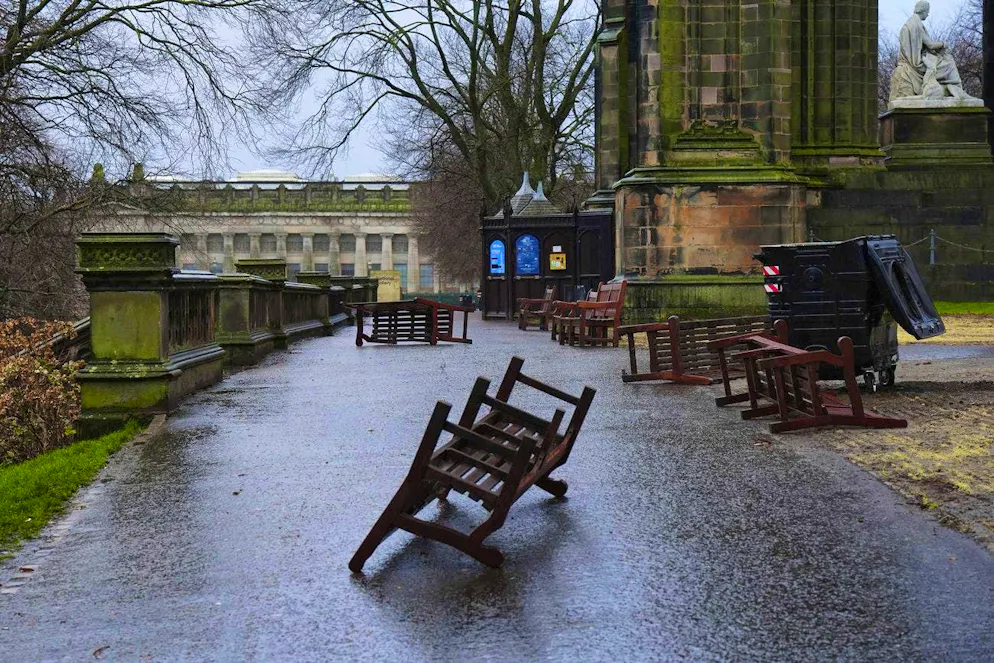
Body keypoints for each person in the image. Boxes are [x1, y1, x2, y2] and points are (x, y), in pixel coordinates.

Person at [889, 1, 974, 102]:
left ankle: (952, 89)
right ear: (923, 11)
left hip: (909, 60)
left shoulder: (909, 23)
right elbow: (930, 45)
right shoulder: (917, 25)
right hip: (917, 63)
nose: (928, 14)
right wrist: (943, 44)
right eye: (927, 11)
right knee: (949, 61)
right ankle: (956, 88)